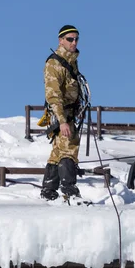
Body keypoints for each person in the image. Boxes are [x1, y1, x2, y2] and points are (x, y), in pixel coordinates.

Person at [40, 24, 91, 205]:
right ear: (60, 40)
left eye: (76, 39)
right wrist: (62, 121)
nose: (74, 42)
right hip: (61, 114)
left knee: (58, 151)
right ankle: (69, 191)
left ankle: (48, 191)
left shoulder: (71, 61)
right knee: (69, 148)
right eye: (70, 39)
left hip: (69, 113)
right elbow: (53, 96)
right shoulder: (55, 63)